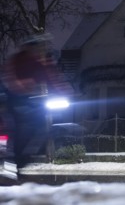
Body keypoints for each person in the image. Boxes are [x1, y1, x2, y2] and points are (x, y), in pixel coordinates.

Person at [1, 33, 74, 169]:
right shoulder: (17, 59)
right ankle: (14, 161)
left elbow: (52, 79)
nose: (39, 50)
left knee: (40, 123)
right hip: (16, 98)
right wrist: (20, 86)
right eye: (36, 47)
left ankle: (24, 157)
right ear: (28, 47)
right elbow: (10, 76)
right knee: (22, 128)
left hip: (32, 99)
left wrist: (66, 91)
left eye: (41, 47)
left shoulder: (40, 63)